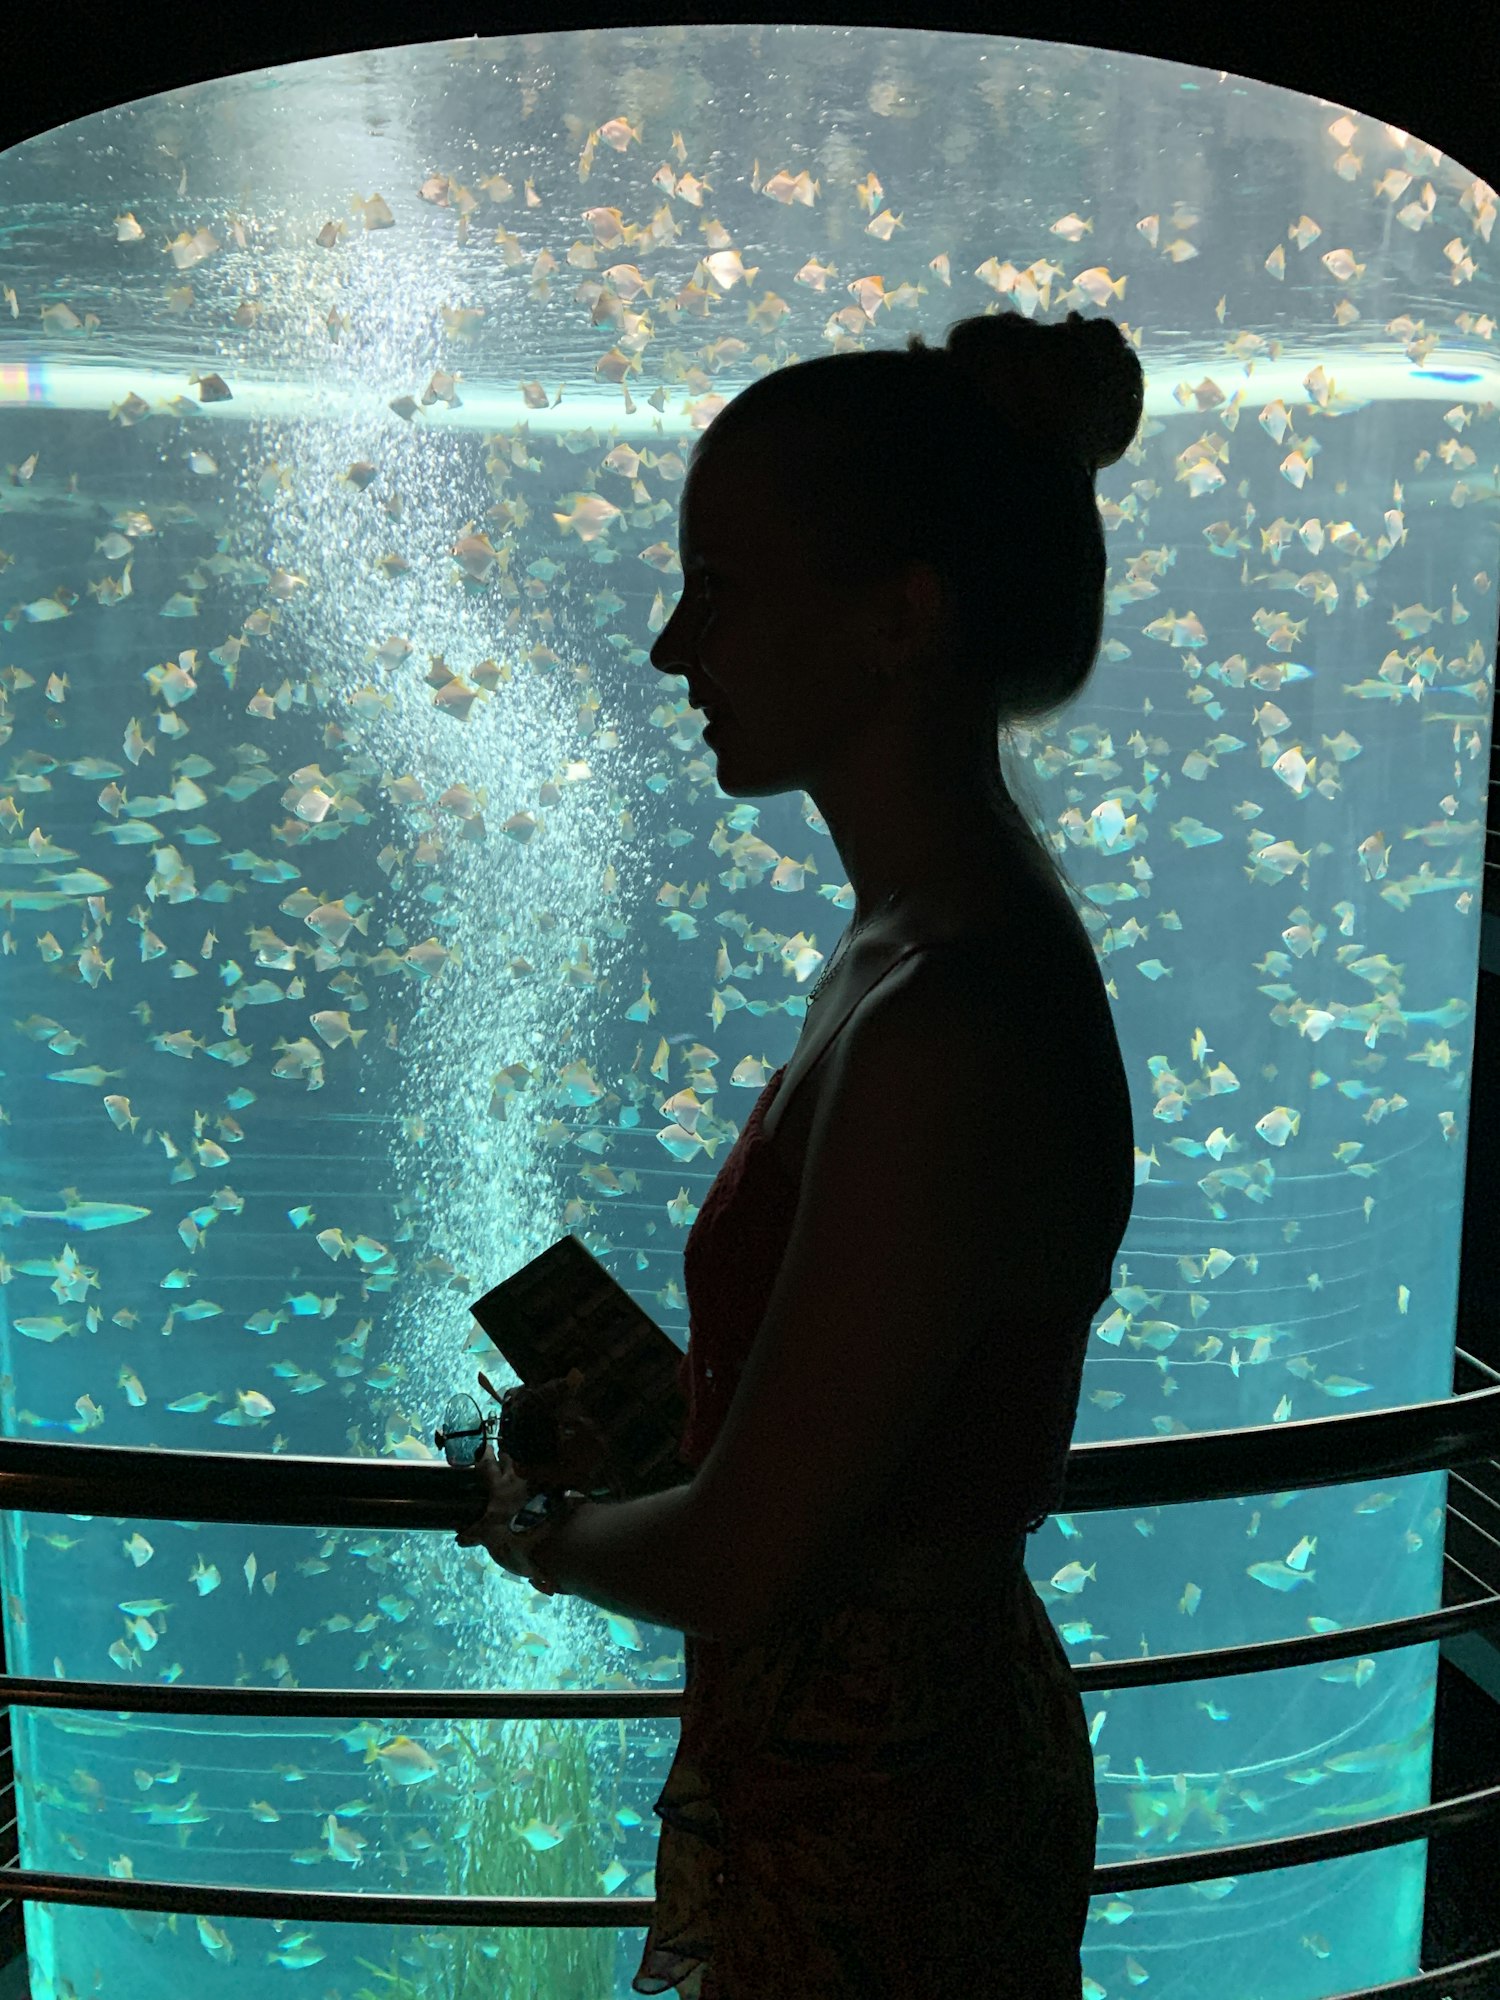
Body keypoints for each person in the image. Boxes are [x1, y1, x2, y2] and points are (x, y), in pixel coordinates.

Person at [624, 309, 1144, 1999]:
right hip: (866, 1767)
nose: (671, 646)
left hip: (887, 1818)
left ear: (899, 618)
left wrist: (530, 1522)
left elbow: (745, 1554)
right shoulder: (912, 943)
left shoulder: (944, 1018)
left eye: (723, 583)